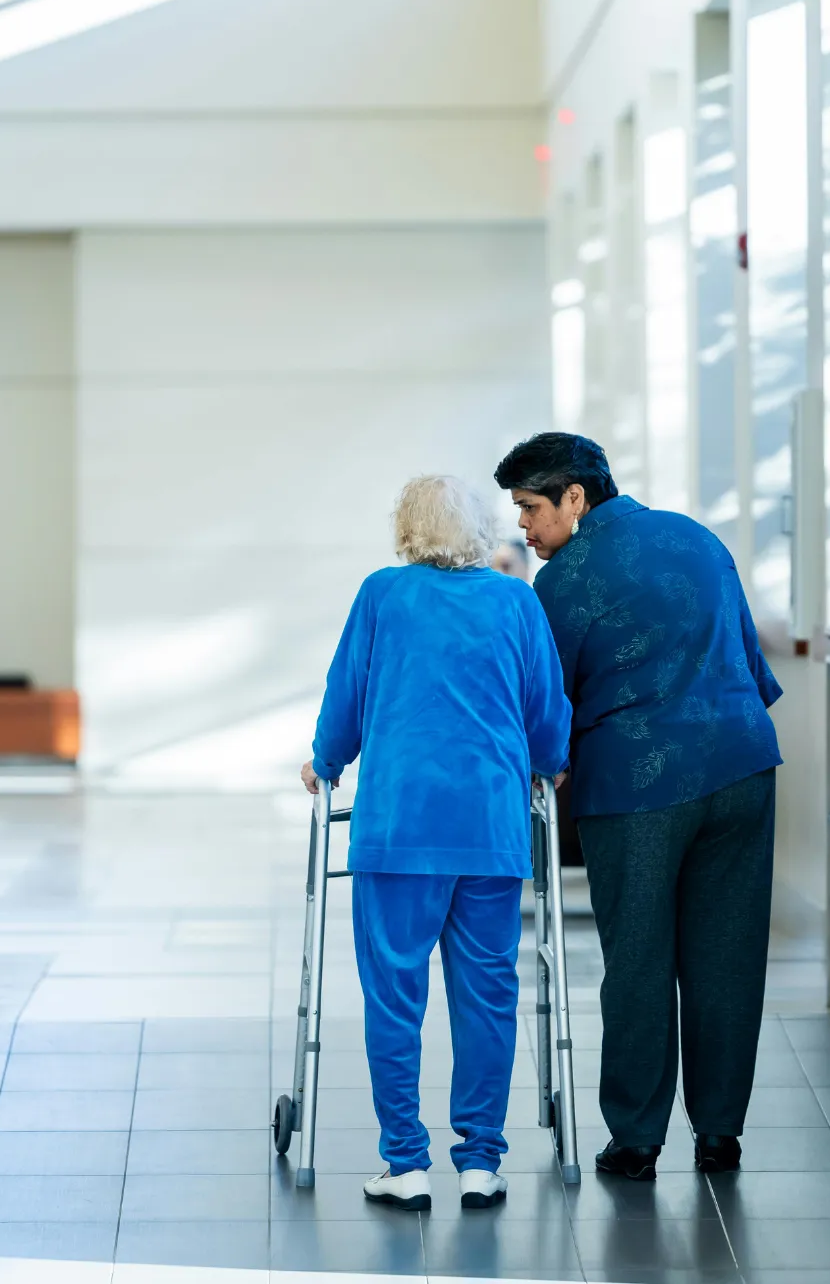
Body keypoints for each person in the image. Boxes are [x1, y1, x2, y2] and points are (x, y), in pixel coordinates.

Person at [494, 433, 782, 1182]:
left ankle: (637, 1139)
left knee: (639, 963)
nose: (524, 528)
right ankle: (721, 1136)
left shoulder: (561, 582)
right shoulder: (696, 537)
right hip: (744, 765)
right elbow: (752, 664)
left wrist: (542, 767)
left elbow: (546, 705)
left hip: (637, 787)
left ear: (575, 498)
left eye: (530, 509)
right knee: (727, 956)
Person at [300, 475, 571, 1212]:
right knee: (487, 995)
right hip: (488, 827)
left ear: (407, 529)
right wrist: (548, 761)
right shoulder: (515, 600)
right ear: (482, 529)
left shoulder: (383, 595)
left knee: (394, 997)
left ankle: (406, 1164)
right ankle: (481, 1162)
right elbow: (546, 712)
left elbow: (345, 698)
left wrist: (323, 764)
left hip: (400, 829)